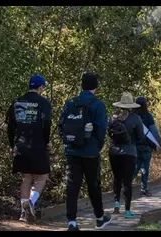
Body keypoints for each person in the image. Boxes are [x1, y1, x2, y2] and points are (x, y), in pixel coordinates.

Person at [58, 72, 111, 231]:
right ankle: (99, 218)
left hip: (72, 150)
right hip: (90, 151)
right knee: (93, 184)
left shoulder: (70, 103)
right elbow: (102, 130)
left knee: (72, 185)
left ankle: (72, 222)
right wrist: (97, 146)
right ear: (95, 86)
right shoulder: (98, 105)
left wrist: (68, 142)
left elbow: (61, 126)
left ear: (82, 85)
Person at [5, 74, 52, 223]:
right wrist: (46, 142)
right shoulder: (44, 103)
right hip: (37, 144)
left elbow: (10, 127)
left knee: (26, 177)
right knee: (42, 175)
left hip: (21, 144)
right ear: (40, 88)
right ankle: (30, 202)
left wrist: (13, 145)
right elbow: (47, 124)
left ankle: (23, 214)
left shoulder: (17, 101)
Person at [109, 92, 145, 218]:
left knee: (117, 178)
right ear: (131, 106)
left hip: (113, 152)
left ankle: (116, 205)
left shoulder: (113, 117)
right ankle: (127, 210)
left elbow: (108, 133)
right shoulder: (135, 118)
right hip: (129, 152)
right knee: (127, 181)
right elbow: (140, 137)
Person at [133, 97, 161, 197]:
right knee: (145, 168)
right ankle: (144, 189)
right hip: (147, 146)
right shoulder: (148, 116)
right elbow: (154, 132)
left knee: (135, 166)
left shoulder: (133, 116)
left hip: (135, 146)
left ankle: (125, 185)